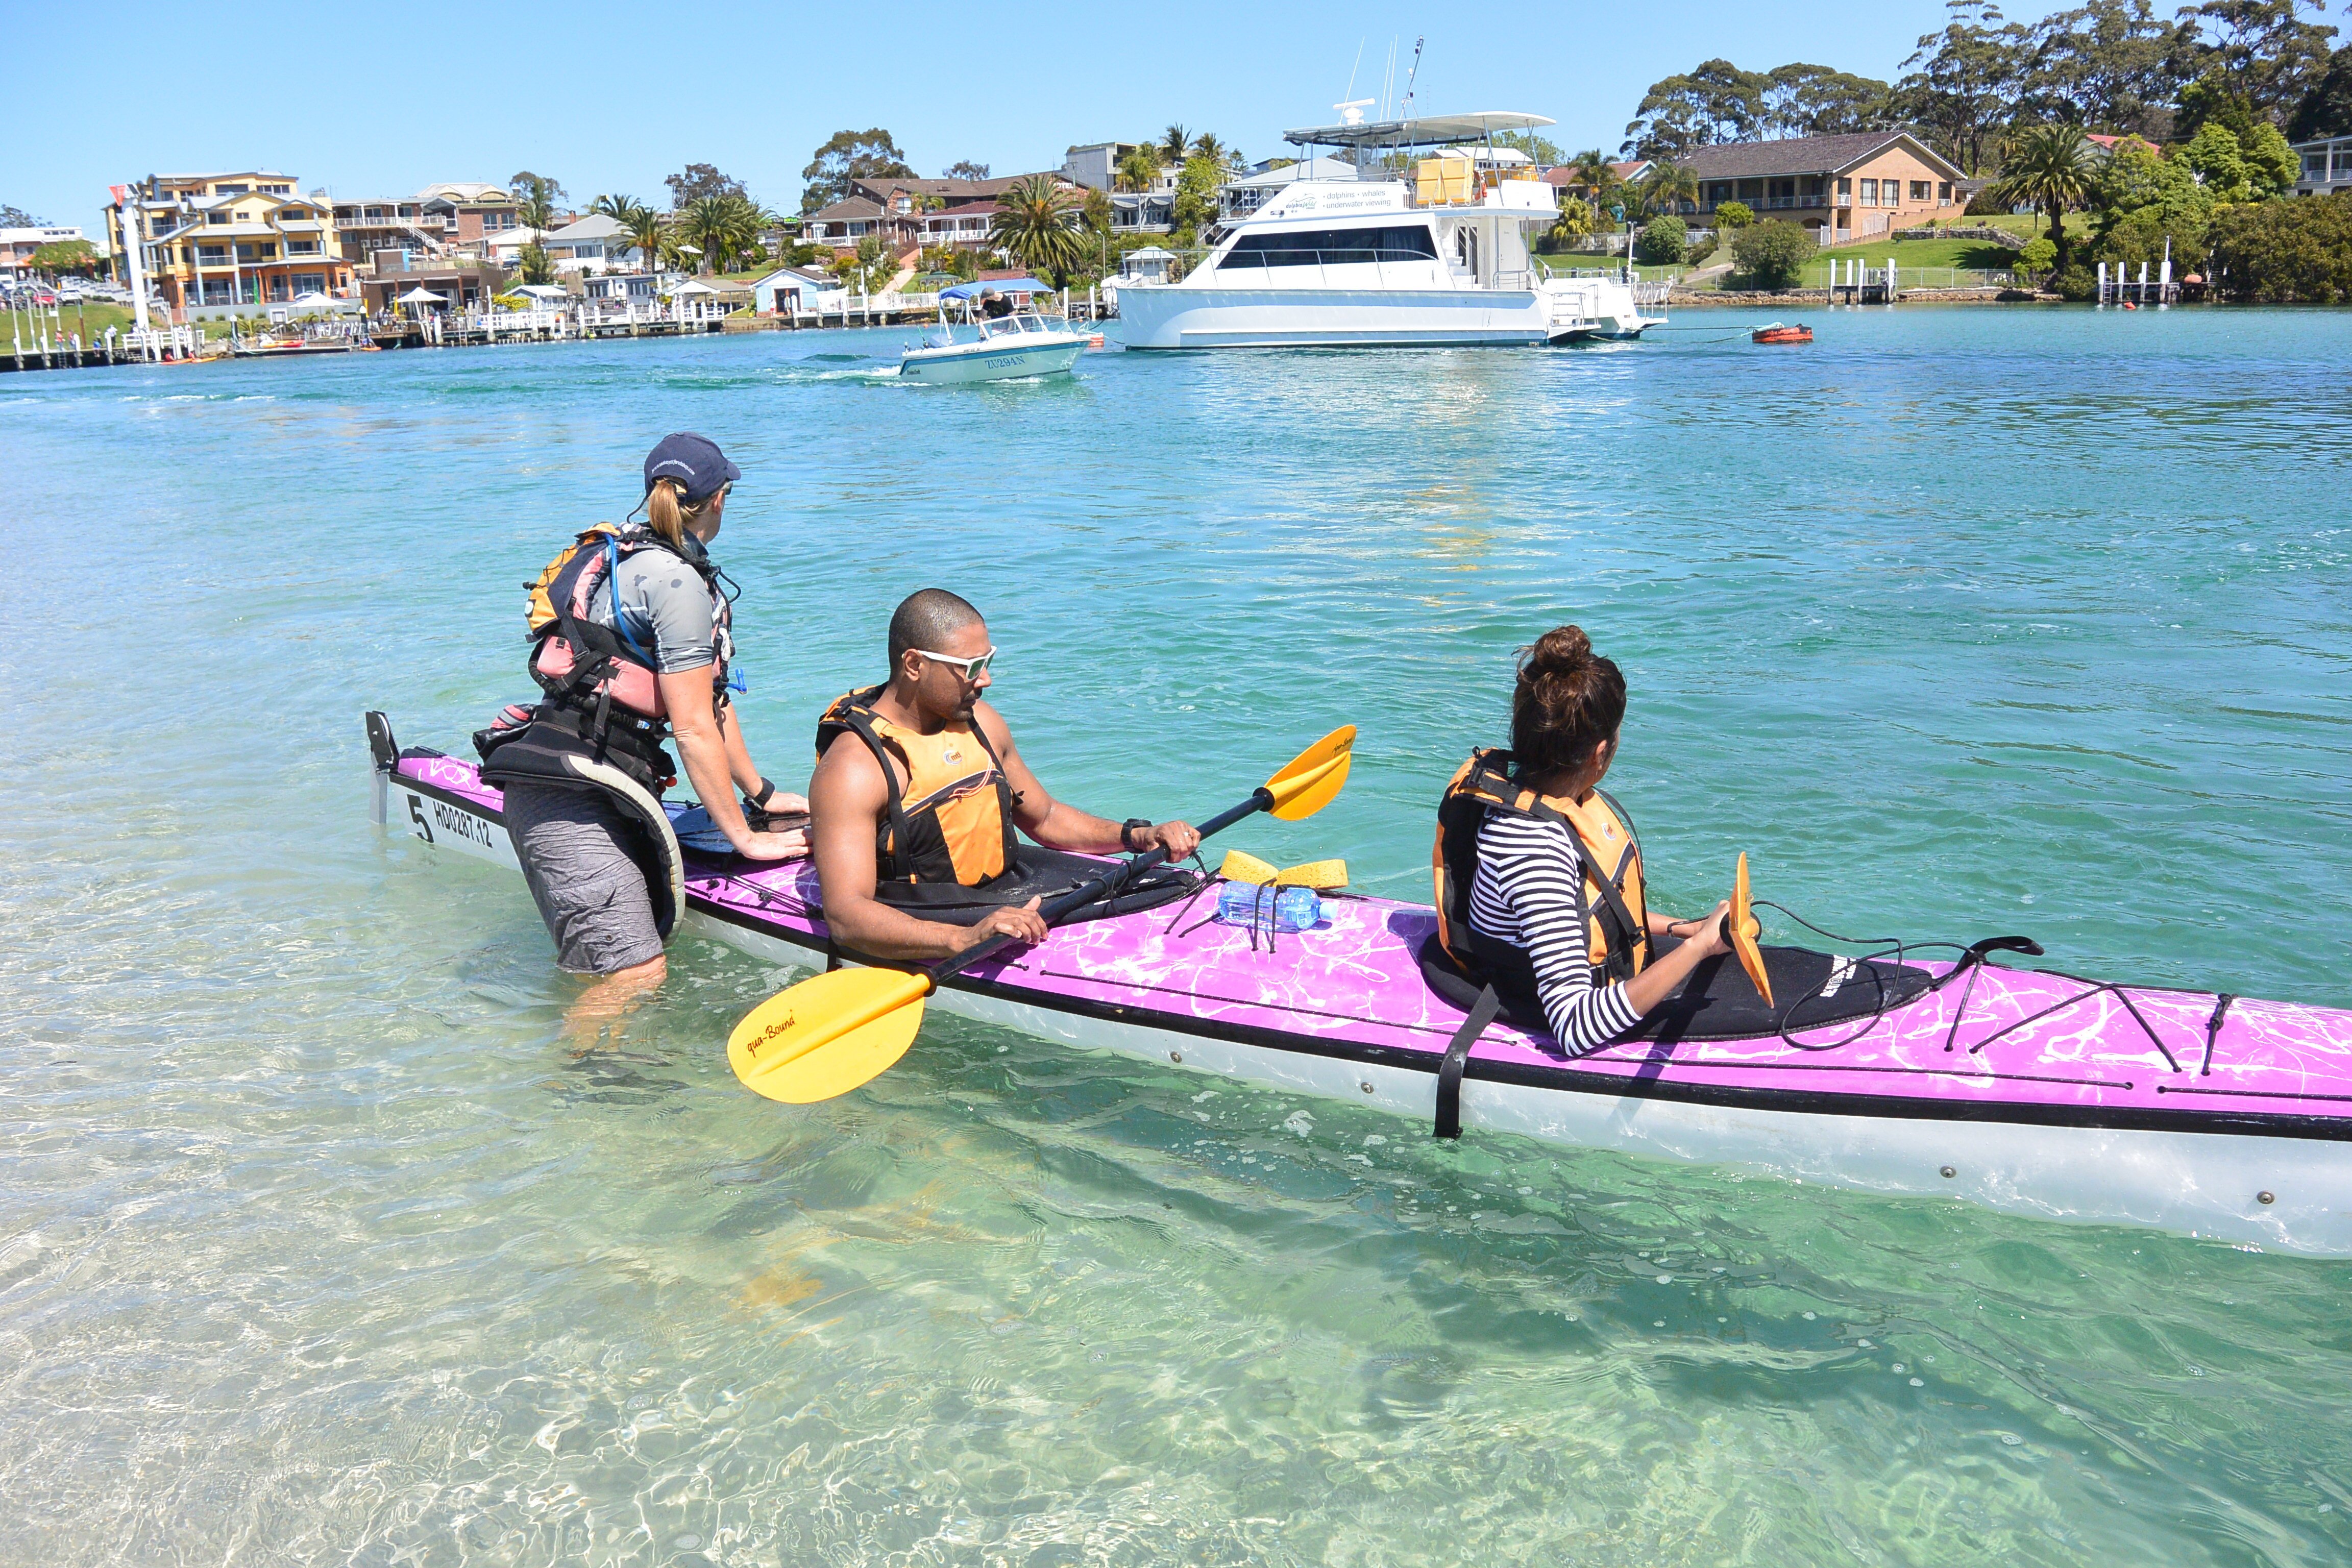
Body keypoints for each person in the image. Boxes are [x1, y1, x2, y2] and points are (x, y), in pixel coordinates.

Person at [478, 432, 806, 1013]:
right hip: (571, 798)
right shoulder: (677, 582)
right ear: (719, 500)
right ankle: (576, 1089)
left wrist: (761, 793)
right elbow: (693, 728)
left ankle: (605, 1087)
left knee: (629, 971)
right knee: (634, 975)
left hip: (581, 779)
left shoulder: (627, 557)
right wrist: (745, 838)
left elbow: (709, 702)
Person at [807, 589, 1201, 961]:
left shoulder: (982, 723)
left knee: (1165, 883)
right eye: (970, 668)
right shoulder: (854, 769)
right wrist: (962, 939)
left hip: (1007, 886)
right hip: (924, 912)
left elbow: (1045, 818)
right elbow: (846, 916)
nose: (985, 680)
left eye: (988, 662)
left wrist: (1136, 836)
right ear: (915, 665)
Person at [1431, 625, 1733, 1055]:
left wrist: (1689, 930)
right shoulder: (1532, 845)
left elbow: (1592, 914)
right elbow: (1575, 1027)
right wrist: (1700, 949)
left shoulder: (1549, 799)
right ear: (1600, 752)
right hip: (1536, 997)